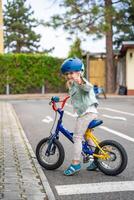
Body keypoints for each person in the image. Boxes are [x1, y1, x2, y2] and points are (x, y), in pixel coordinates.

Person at [61, 57, 98, 176]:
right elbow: (73, 97)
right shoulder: (73, 85)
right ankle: (96, 161)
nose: (69, 76)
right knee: (87, 136)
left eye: (71, 73)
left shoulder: (81, 82)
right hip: (90, 112)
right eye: (67, 74)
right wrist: (61, 100)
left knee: (77, 137)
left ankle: (75, 163)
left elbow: (88, 88)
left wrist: (80, 81)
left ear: (79, 72)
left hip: (86, 114)